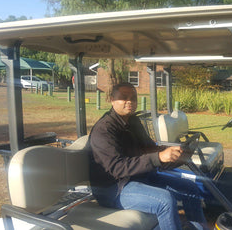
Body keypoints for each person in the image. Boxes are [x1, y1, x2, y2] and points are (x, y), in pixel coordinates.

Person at [88, 82, 207, 230]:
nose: (130, 101)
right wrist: (159, 157)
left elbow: (149, 148)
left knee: (190, 189)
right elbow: (117, 168)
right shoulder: (104, 130)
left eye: (133, 97)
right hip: (113, 189)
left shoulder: (133, 121)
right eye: (124, 97)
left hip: (139, 177)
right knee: (165, 201)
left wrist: (174, 154)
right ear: (112, 100)